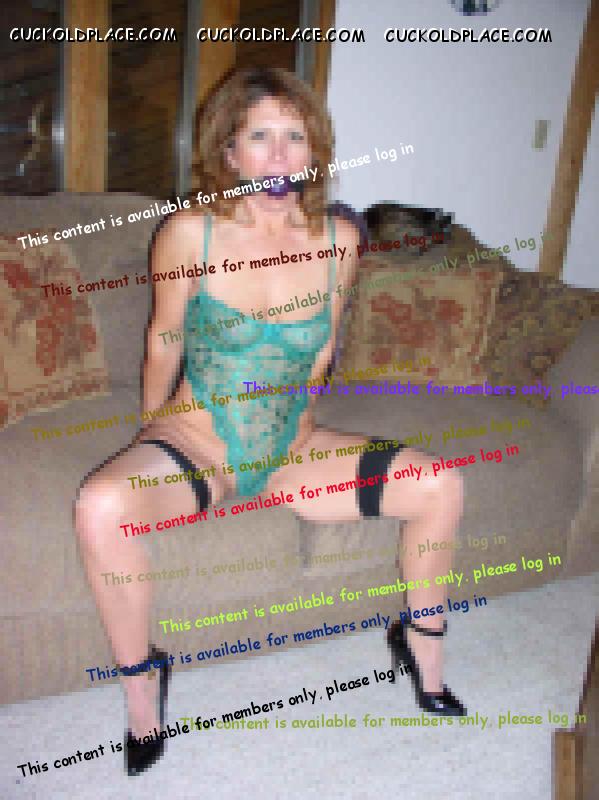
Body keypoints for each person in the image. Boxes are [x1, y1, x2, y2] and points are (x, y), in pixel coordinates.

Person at [74, 66, 466, 777]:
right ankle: (142, 691)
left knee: (439, 484)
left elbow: (321, 349)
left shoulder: (338, 239)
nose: (281, 155)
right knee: (101, 505)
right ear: (228, 152)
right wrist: (151, 433)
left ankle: (422, 647)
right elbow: (164, 339)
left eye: (296, 137)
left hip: (292, 444)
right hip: (198, 439)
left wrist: (297, 431)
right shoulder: (189, 233)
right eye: (260, 137)